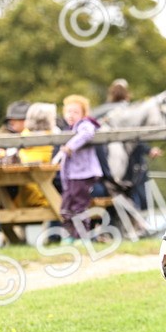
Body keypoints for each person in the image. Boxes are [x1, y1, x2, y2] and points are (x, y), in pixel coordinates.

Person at [55, 94, 102, 242]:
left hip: (83, 174)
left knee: (79, 206)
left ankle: (82, 236)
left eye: (75, 112)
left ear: (83, 114)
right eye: (69, 111)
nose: (71, 115)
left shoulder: (84, 124)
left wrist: (70, 146)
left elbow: (87, 134)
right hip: (71, 175)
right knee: (66, 206)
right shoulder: (68, 129)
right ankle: (70, 235)